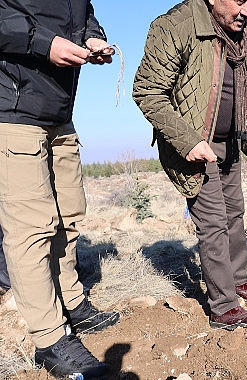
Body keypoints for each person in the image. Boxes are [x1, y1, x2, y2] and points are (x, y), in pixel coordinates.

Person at [133, 0, 247, 331]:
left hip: (231, 141)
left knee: (234, 214)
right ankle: (223, 307)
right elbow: (147, 91)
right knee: (212, 222)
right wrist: (189, 141)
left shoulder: (242, 26)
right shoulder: (175, 26)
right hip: (194, 143)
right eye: (240, 0)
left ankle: (238, 284)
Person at [0, 1, 120, 377]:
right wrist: (42, 42)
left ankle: (72, 302)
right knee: (31, 229)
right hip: (13, 112)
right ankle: (50, 340)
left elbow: (83, 14)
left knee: (68, 215)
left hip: (59, 115)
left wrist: (93, 38)